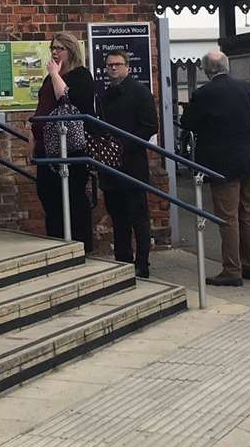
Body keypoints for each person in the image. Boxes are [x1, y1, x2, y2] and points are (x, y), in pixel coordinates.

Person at [180, 50, 250, 285]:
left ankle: (232, 269)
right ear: (226, 67)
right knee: (246, 213)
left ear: (206, 70)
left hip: (221, 163)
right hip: (249, 158)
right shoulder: (246, 88)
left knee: (227, 217)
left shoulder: (203, 93)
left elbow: (188, 123)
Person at [31, 32, 95, 251]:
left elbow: (66, 97)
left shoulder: (81, 75)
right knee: (48, 194)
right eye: (53, 48)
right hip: (46, 147)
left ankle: (81, 245)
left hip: (71, 148)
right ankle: (58, 243)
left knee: (73, 196)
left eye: (59, 48)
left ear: (71, 50)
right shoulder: (50, 77)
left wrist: (55, 74)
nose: (55, 52)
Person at [97, 49, 157, 278]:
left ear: (127, 67)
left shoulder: (140, 92)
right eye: (109, 65)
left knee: (138, 217)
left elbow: (150, 125)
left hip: (133, 165)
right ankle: (123, 261)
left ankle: (143, 264)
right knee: (118, 217)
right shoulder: (104, 94)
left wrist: (123, 145)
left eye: (117, 64)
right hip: (110, 168)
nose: (113, 68)